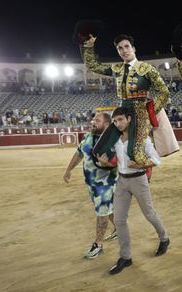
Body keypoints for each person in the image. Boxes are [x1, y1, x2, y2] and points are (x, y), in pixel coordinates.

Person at [97, 107, 170, 275]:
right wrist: (104, 162)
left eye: (121, 119)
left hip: (139, 179)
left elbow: (157, 160)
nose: (118, 123)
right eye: (115, 121)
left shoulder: (141, 139)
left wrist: (141, 164)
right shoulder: (115, 139)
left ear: (129, 119)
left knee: (149, 214)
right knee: (120, 220)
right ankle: (125, 257)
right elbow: (117, 164)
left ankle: (164, 238)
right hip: (122, 181)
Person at [82, 34, 172, 167]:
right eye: (120, 48)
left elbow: (164, 92)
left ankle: (149, 167)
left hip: (140, 113)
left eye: (126, 47)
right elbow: (93, 66)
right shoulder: (117, 69)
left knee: (135, 153)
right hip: (121, 112)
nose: (124, 50)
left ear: (133, 49)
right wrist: (89, 47)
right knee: (99, 150)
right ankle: (120, 168)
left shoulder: (147, 69)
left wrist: (150, 111)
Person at [63, 112, 118, 259]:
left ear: (106, 124)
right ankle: (119, 229)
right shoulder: (88, 137)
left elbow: (118, 162)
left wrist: (109, 163)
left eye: (97, 120)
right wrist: (69, 169)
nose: (93, 122)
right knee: (108, 210)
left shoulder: (113, 140)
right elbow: (79, 153)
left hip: (105, 184)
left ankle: (98, 244)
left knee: (102, 214)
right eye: (93, 119)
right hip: (91, 184)